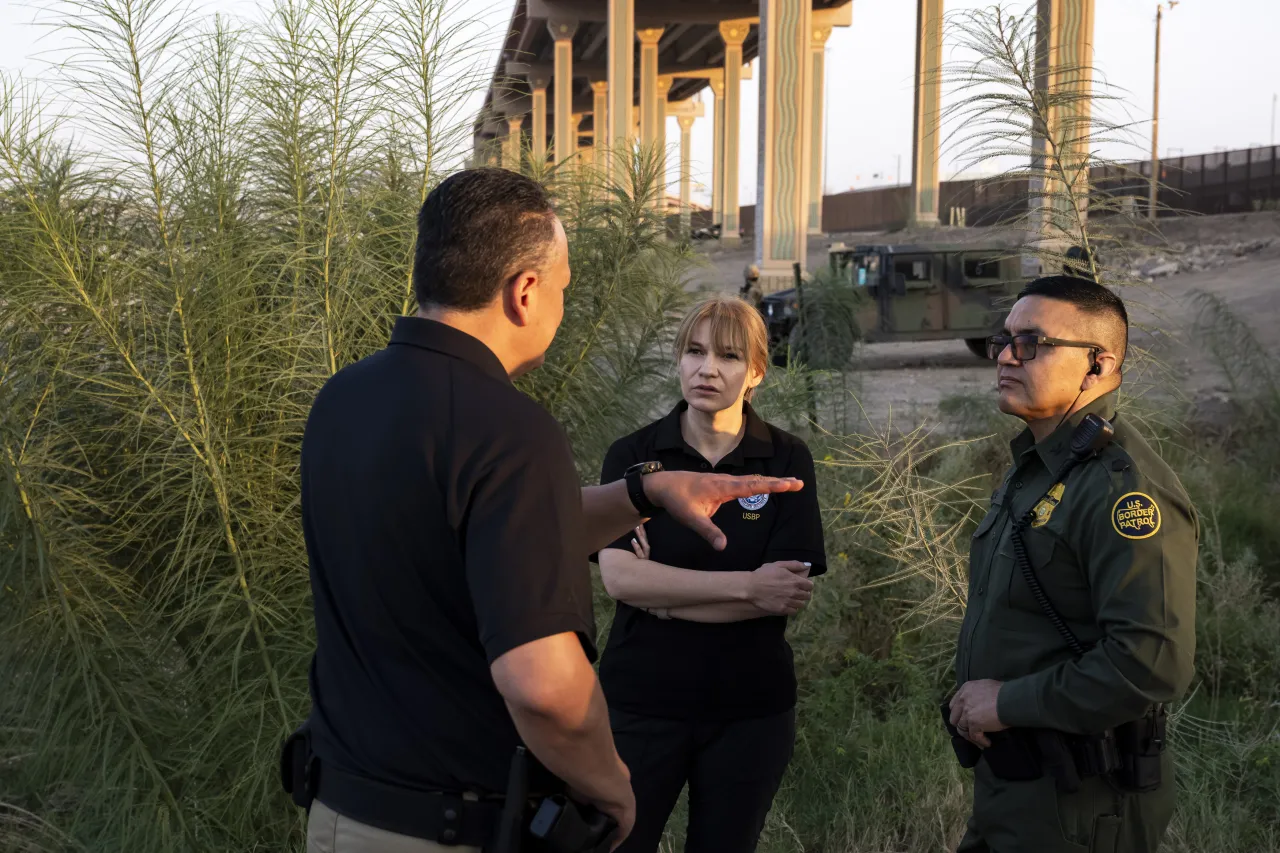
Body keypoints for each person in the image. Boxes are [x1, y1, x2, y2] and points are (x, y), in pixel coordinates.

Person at [290, 169, 807, 853]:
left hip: (339, 813)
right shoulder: (509, 430)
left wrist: (642, 493)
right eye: (562, 288)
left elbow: (472, 537)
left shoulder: (342, 401)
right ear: (524, 291)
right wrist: (610, 784)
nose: (562, 307)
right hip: (450, 829)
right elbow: (543, 686)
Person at [947, 275, 1197, 853]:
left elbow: (1151, 663)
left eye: (1031, 343)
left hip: (1082, 804)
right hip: (1018, 788)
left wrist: (1006, 702)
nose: (1005, 356)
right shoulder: (1040, 466)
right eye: (1004, 339)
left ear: (1099, 364)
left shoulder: (1122, 490)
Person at [595, 295, 827, 853]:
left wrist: (666, 598)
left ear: (756, 373)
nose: (707, 369)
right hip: (640, 704)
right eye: (694, 352)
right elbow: (622, 581)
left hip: (749, 709)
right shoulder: (635, 456)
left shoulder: (786, 459)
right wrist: (747, 585)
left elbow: (785, 591)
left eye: (727, 356)